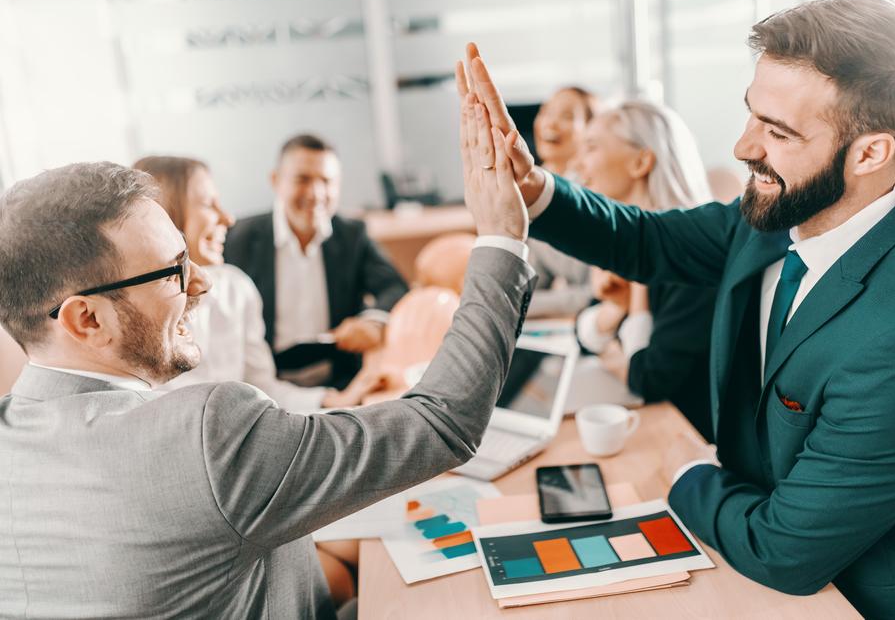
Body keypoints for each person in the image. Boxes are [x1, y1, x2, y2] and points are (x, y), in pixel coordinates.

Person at [461, 0, 895, 619]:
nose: (744, 147)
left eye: (778, 132)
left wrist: (686, 471)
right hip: (765, 567)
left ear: (870, 153)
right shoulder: (792, 204)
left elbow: (785, 551)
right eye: (753, 115)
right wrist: (536, 190)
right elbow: (648, 240)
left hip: (862, 603)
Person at [0, 152, 534, 617]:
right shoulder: (205, 435)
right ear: (86, 320)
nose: (204, 282)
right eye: (174, 271)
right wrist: (501, 237)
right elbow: (445, 422)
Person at [135, 155, 384, 412]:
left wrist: (331, 400)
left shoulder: (236, 288)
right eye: (209, 204)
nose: (227, 218)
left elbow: (263, 388)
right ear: (164, 214)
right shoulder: (136, 310)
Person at [569, 100, 717, 440]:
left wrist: (626, 327)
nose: (577, 165)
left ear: (641, 161)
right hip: (653, 422)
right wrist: (617, 308)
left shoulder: (693, 255)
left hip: (688, 440)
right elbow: (585, 337)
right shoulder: (627, 244)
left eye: (591, 147)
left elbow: (650, 379)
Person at [224, 134, 408, 390]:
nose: (315, 193)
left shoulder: (353, 235)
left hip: (339, 383)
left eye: (326, 181)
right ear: (276, 181)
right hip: (262, 388)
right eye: (303, 179)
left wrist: (372, 321)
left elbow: (394, 287)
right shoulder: (237, 238)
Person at [526, 86, 600, 319]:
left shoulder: (597, 193)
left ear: (592, 130)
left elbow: (597, 293)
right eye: (546, 112)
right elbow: (531, 286)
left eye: (567, 116)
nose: (551, 123)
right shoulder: (533, 193)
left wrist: (516, 306)